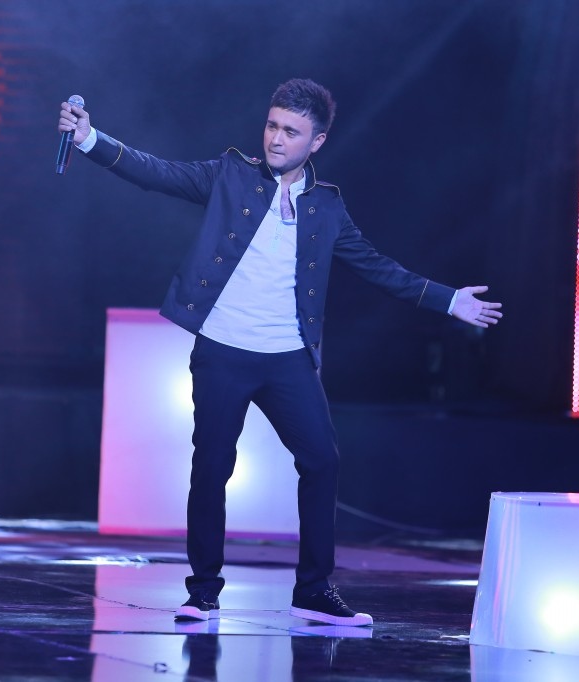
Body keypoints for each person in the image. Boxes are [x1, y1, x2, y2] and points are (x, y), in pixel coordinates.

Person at [57, 78, 502, 627]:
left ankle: (313, 591)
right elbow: (157, 172)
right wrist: (89, 138)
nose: (275, 138)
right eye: (272, 126)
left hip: (288, 356)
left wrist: (448, 299)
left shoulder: (327, 206)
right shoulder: (230, 175)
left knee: (322, 461)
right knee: (212, 466)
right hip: (223, 349)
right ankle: (202, 592)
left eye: (291, 131)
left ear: (317, 141)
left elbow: (376, 266)